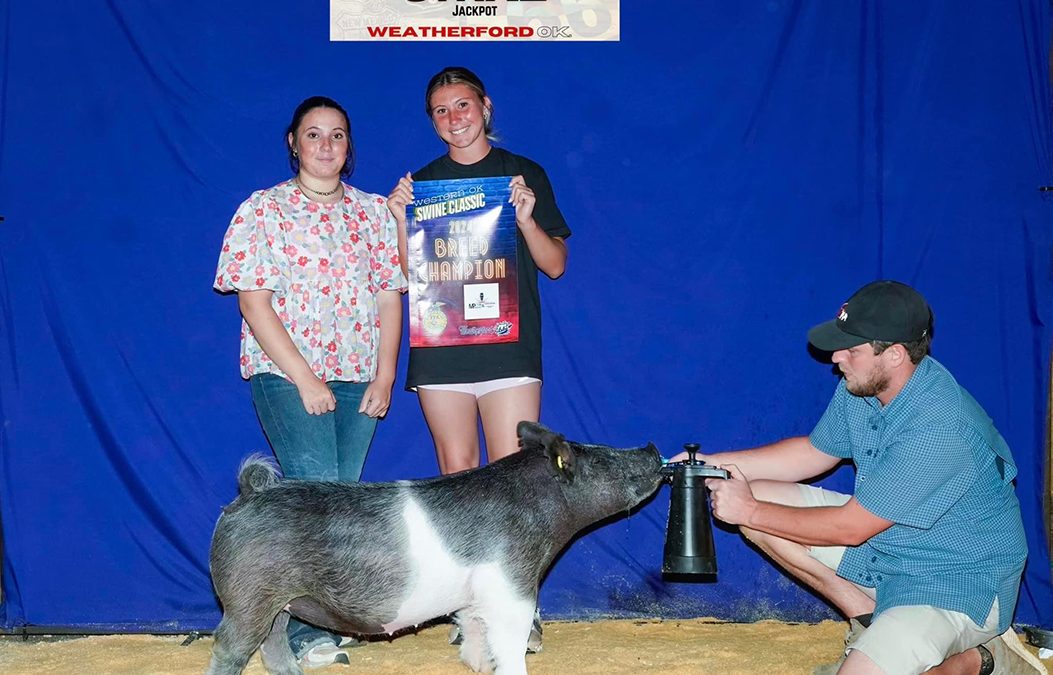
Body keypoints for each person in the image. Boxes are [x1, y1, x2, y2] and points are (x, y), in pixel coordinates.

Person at [677, 280, 1044, 675]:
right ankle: (867, 620)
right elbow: (814, 453)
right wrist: (714, 464)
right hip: (893, 548)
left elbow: (850, 528)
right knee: (763, 496)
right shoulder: (864, 388)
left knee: (757, 512)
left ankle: (978, 659)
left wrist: (748, 510)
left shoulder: (939, 429)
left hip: (956, 581)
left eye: (851, 349)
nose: (836, 357)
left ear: (895, 355)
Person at [213, 95, 406, 668]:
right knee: (315, 501)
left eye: (338, 135)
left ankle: (316, 622)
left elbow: (389, 294)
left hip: (359, 375)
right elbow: (254, 300)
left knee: (341, 507)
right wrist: (304, 378)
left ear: (349, 148)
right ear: (293, 142)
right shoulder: (263, 209)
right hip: (288, 375)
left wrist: (386, 374)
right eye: (314, 134)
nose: (326, 145)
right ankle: (301, 635)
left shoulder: (372, 212)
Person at [386, 66, 571, 651]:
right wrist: (399, 222)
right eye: (441, 111)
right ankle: (469, 610)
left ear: (485, 107)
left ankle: (519, 608)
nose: (453, 119)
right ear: (431, 120)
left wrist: (523, 219)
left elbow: (556, 263)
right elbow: (411, 276)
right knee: (458, 478)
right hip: (443, 350)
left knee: (516, 481)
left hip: (509, 346)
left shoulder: (523, 174)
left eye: (462, 105)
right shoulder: (422, 185)